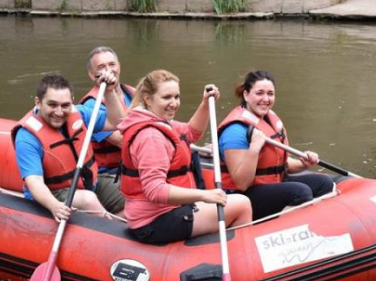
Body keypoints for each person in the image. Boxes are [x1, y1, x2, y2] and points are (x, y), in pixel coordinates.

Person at [118, 70, 252, 245]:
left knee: (232, 202)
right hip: (154, 222)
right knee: (242, 204)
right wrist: (204, 195)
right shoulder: (151, 136)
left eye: (176, 97)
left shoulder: (157, 121)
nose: (174, 104)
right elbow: (155, 190)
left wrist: (205, 104)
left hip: (164, 212)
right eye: (166, 97)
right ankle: (241, 258)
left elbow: (191, 133)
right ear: (148, 99)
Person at [218, 70, 335, 220]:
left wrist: (303, 164)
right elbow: (242, 183)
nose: (265, 99)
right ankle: (275, 233)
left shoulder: (269, 119)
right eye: (259, 93)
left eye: (270, 94)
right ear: (246, 95)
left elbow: (281, 165)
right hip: (244, 196)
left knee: (324, 183)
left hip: (273, 183)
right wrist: (254, 148)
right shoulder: (235, 130)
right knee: (300, 193)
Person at [12, 72, 125, 223]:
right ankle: (113, 231)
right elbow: (35, 182)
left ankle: (130, 223)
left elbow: (116, 122)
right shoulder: (26, 137)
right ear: (38, 102)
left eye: (65, 105)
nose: (59, 112)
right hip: (54, 193)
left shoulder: (79, 112)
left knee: (129, 189)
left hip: (89, 182)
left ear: (72, 102)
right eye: (52, 105)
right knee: (88, 199)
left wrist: (110, 92)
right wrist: (54, 206)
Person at [78, 47, 134, 216]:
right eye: (101, 67)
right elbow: (122, 141)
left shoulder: (134, 94)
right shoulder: (91, 107)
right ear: (91, 74)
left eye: (112, 64)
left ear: (119, 66)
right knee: (146, 198)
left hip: (134, 167)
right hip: (108, 173)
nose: (109, 70)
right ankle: (115, 226)